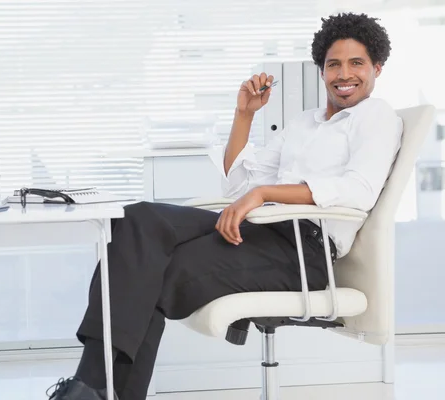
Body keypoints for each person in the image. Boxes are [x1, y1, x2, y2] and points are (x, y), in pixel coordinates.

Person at [48, 12, 403, 400]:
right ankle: (92, 388)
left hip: (304, 253)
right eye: (334, 64)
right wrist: (244, 115)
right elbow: (242, 184)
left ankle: (89, 391)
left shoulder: (376, 116)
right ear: (321, 70)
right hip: (260, 230)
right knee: (137, 219)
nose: (344, 74)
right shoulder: (304, 123)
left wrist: (267, 195)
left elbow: (358, 190)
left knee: (149, 274)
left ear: (377, 68)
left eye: (357, 63)